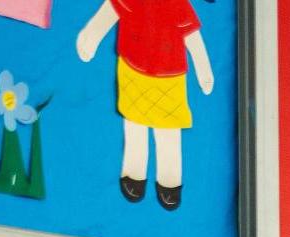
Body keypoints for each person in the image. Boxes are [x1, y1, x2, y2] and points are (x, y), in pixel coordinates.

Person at [76, 0, 216, 211]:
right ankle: (134, 175)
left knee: (168, 132)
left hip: (168, 77)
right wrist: (91, 38)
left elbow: (192, 37)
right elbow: (111, 10)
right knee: (135, 126)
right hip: (134, 69)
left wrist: (204, 71)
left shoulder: (178, 5)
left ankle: (169, 182)